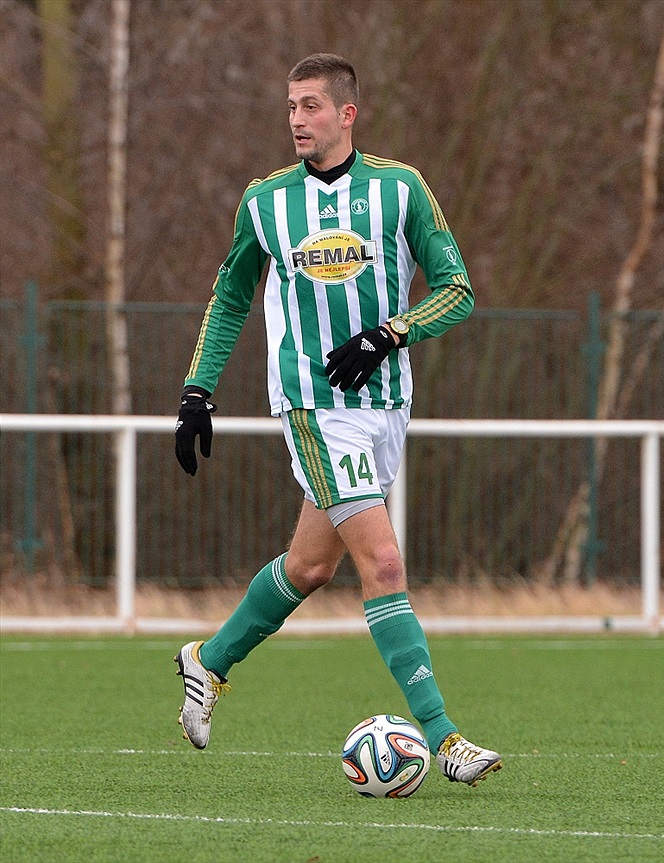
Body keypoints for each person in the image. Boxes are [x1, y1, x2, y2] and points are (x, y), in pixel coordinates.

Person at [173, 53, 502, 787]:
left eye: (312, 105)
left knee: (311, 565)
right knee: (382, 563)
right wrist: (198, 390)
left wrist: (390, 332)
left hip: (384, 405)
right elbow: (229, 299)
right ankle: (446, 739)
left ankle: (208, 661)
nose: (297, 119)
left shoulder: (401, 188)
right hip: (312, 406)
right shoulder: (265, 202)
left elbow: (459, 290)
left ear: (347, 113)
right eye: (290, 106)